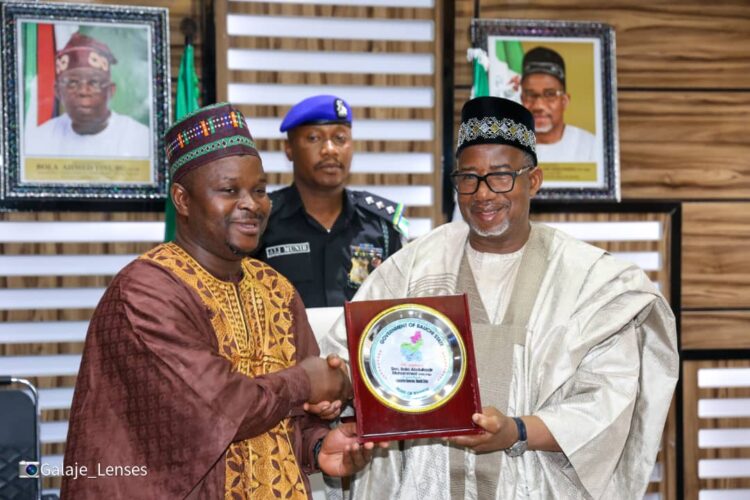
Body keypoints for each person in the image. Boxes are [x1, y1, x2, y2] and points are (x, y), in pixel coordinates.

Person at [321, 97, 678, 499]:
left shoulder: (591, 280)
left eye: (502, 176)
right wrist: (338, 384)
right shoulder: (414, 266)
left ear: (534, 180)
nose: (483, 194)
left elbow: (608, 401)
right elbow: (357, 358)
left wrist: (517, 430)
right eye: (468, 178)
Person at [61, 103, 381, 499]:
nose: (252, 204)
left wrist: (317, 446)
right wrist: (308, 380)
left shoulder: (276, 290)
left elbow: (293, 415)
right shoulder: (146, 292)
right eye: (230, 191)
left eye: (260, 190)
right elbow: (220, 409)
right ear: (182, 199)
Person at [256, 95, 408, 307]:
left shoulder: (380, 225)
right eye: (314, 138)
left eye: (340, 138)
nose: (330, 149)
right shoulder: (261, 221)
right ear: (289, 149)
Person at [24, 32, 150, 158]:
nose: (83, 91)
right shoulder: (38, 139)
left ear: (110, 91)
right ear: (58, 92)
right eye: (72, 83)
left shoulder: (140, 138)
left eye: (94, 82)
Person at [520, 46, 596, 163]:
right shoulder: (506, 146)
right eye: (531, 95)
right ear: (522, 100)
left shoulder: (590, 146)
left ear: (564, 101)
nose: (539, 106)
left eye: (550, 94)